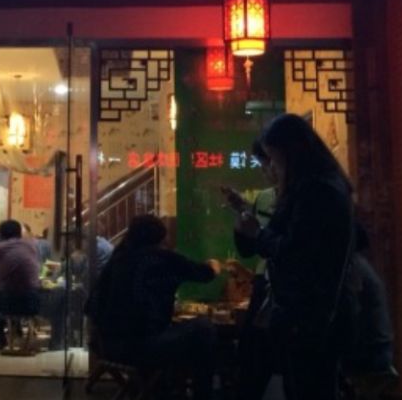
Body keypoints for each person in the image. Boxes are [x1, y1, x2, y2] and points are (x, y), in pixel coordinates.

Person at [236, 113, 354, 400]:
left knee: (307, 388)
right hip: (306, 316)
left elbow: (296, 252)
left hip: (309, 317)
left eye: (275, 161)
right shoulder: (312, 188)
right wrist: (250, 231)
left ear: (292, 154)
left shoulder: (317, 192)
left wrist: (258, 234)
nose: (272, 170)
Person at [87, 214, 219, 398]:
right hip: (143, 348)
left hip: (108, 348)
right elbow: (204, 274)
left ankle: (161, 387)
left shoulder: (117, 259)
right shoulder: (162, 258)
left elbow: (90, 306)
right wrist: (214, 265)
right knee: (203, 328)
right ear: (160, 237)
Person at [225, 138, 279, 400]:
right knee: (251, 355)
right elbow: (249, 249)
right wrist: (242, 213)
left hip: (291, 290)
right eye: (263, 164)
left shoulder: (309, 198)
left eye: (269, 162)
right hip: (264, 282)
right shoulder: (265, 197)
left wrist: (259, 233)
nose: (267, 170)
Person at [342, 224, 397, 400]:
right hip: (379, 348)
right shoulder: (362, 266)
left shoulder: (353, 267)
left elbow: (352, 309)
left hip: (371, 352)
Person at [0, 219, 41, 351]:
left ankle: (0, 338)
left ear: (1, 234)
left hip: (8, 303)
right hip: (33, 302)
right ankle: (17, 330)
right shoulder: (31, 246)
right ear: (19, 232)